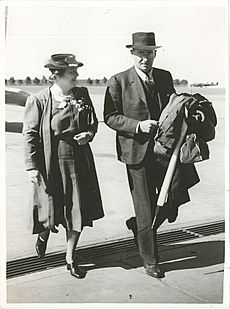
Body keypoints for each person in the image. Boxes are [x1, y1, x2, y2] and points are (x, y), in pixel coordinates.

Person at [23, 53, 104, 279]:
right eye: (72, 72)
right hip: (50, 161)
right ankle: (44, 235)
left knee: (76, 208)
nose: (77, 75)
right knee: (51, 207)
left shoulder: (82, 94)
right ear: (56, 76)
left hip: (78, 160)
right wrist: (32, 167)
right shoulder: (38, 100)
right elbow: (29, 135)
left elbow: (93, 121)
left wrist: (89, 134)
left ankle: (70, 257)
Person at [103, 32, 176, 279]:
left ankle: (138, 226)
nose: (145, 58)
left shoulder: (165, 77)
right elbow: (110, 117)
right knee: (146, 207)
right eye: (140, 53)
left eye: (149, 52)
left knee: (173, 200)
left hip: (164, 151)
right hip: (136, 153)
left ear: (155, 53)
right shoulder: (118, 81)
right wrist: (137, 126)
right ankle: (150, 260)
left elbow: (174, 107)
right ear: (132, 54)